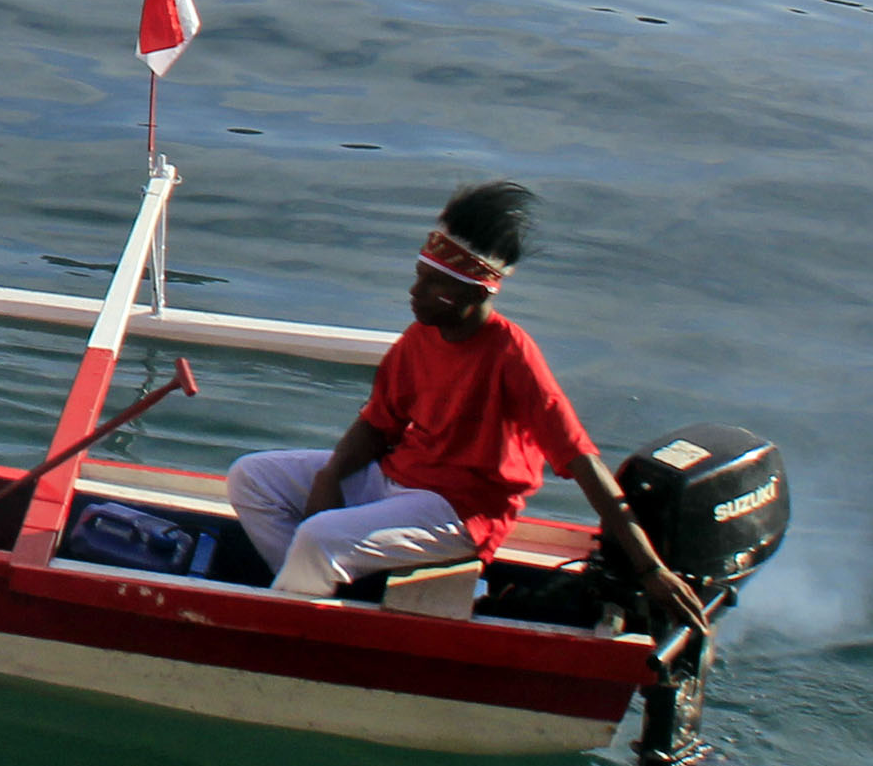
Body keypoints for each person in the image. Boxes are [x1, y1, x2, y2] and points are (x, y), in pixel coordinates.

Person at [227, 182, 705, 626]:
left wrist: (649, 570)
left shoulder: (513, 356)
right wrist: (330, 478)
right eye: (417, 277)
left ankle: (292, 623)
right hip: (397, 479)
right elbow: (376, 425)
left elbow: (583, 463)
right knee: (251, 478)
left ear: (475, 292)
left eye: (432, 285)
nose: (413, 294)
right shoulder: (420, 338)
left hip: (458, 513)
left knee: (318, 538)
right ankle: (313, 597)